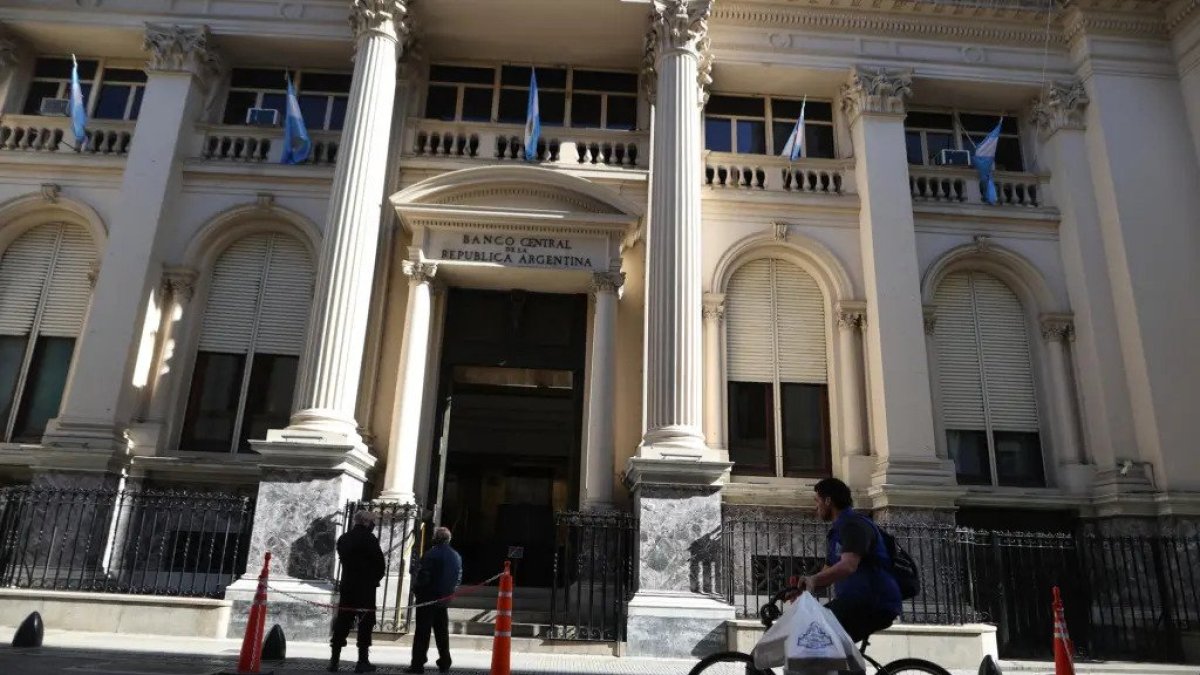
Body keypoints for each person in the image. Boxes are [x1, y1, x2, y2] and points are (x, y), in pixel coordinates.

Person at [794, 477, 902, 644]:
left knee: (818, 637)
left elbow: (848, 566)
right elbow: (827, 572)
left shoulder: (854, 525)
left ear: (828, 501)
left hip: (872, 602)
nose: (816, 507)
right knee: (819, 637)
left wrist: (813, 579)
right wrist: (801, 590)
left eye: (817, 501)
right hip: (855, 602)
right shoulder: (838, 530)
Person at [329, 509, 387, 673]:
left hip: (348, 585)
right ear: (367, 522)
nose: (373, 525)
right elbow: (380, 564)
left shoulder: (344, 538)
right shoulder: (370, 539)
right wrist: (373, 579)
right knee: (365, 624)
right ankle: (362, 662)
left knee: (343, 622)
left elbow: (343, 558)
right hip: (366, 589)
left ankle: (334, 661)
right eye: (372, 522)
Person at [407, 526, 462, 674]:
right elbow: (458, 578)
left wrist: (416, 590)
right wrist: (450, 592)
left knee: (422, 632)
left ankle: (418, 664)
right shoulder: (456, 555)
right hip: (444, 598)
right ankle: (445, 660)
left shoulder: (431, 554)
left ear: (436, 538)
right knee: (442, 632)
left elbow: (424, 576)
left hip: (428, 597)